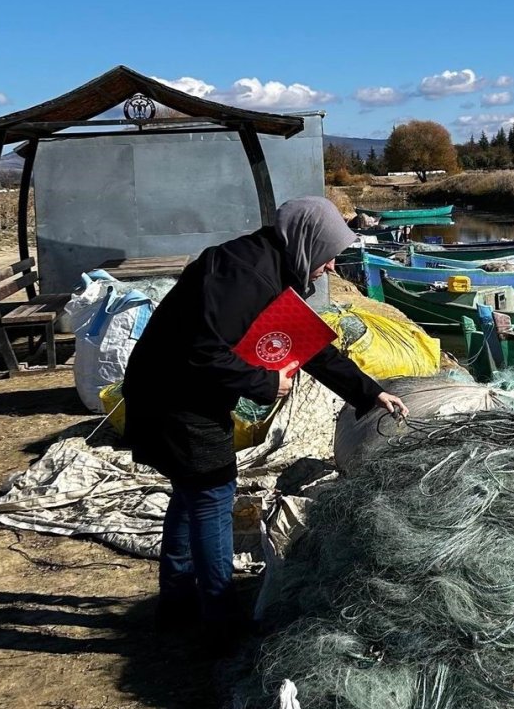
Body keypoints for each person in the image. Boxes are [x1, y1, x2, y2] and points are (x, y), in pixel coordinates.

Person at [121, 196, 408, 641]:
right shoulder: (244, 275)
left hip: (182, 393)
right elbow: (201, 349)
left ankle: (177, 605)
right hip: (173, 399)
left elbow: (310, 346)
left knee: (192, 492)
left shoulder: (272, 266)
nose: (331, 267)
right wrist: (263, 383)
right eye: (329, 255)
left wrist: (370, 393)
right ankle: (220, 623)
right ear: (308, 242)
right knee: (214, 493)